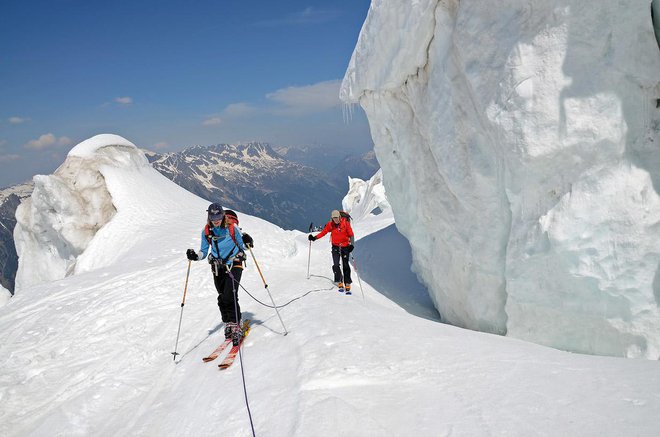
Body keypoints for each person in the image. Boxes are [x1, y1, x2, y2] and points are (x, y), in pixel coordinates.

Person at [186, 203, 254, 345]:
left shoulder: (231, 228)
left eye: (218, 216)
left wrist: (248, 242)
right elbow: (204, 251)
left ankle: (236, 323)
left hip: (234, 263)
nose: (215, 219)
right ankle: (228, 323)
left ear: (222, 215)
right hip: (218, 267)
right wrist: (195, 256)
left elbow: (243, 246)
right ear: (209, 216)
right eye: (212, 216)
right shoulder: (207, 231)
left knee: (230, 294)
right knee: (222, 296)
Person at [308, 210, 355, 293]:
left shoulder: (345, 223)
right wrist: (314, 238)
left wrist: (352, 245)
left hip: (345, 247)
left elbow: (351, 234)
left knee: (345, 264)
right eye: (333, 218)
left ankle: (347, 282)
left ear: (340, 217)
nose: (335, 220)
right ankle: (339, 280)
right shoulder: (331, 225)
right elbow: (323, 232)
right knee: (336, 264)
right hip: (335, 246)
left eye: (336, 218)